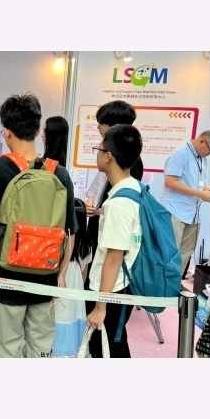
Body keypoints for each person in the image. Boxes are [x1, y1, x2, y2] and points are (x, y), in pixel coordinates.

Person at [0, 93, 78, 358]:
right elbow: (70, 233)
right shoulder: (59, 173)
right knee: (41, 351)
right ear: (37, 131)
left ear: (6, 131)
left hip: (6, 278)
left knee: (7, 350)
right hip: (46, 279)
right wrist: (60, 275)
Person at [85, 124, 143, 358]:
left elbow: (113, 258)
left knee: (108, 350)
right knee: (112, 346)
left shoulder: (118, 204)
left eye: (98, 149)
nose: (97, 154)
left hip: (111, 290)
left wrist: (101, 307)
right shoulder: (134, 188)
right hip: (121, 285)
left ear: (108, 156)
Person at [84, 100, 144, 290]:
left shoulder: (129, 166)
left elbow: (114, 258)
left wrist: (101, 302)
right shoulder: (117, 160)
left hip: (110, 237)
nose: (98, 128)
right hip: (102, 228)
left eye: (101, 123)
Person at [159, 130, 210, 277]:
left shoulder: (202, 159)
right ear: (202, 141)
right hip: (175, 211)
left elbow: (200, 181)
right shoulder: (181, 154)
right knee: (170, 254)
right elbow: (170, 182)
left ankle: (175, 285)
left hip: (193, 214)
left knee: (185, 254)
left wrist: (209, 191)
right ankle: (164, 286)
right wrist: (200, 194)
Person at [51, 198, 93, 357]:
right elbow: (84, 275)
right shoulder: (87, 243)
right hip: (76, 297)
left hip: (57, 295)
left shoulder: (58, 242)